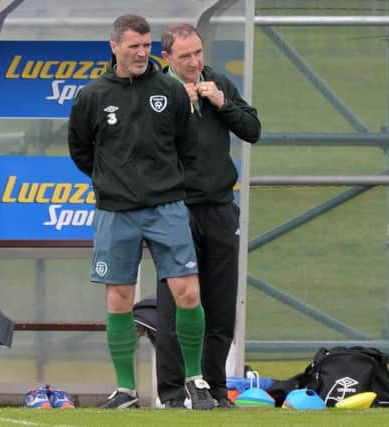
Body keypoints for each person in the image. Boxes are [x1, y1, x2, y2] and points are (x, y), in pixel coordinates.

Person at [67, 14, 214, 410]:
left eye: (147, 46)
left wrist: (161, 181)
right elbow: (81, 151)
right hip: (116, 211)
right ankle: (126, 391)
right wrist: (111, 181)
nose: (141, 53)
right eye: (133, 46)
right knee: (119, 299)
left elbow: (187, 146)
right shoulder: (92, 96)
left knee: (188, 291)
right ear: (114, 46)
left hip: (166, 207)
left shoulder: (169, 89)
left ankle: (195, 380)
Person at [155, 23, 261, 408]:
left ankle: (215, 387)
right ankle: (172, 391)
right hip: (174, 209)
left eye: (199, 53)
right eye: (185, 56)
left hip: (219, 207)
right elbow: (139, 142)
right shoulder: (155, 91)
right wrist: (175, 106)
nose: (195, 61)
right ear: (167, 58)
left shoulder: (219, 83)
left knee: (221, 303)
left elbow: (252, 129)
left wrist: (222, 103)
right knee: (176, 302)